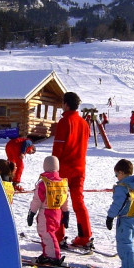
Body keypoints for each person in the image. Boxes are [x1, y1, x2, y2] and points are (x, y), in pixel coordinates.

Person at [52, 91, 92, 248]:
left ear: (66, 104)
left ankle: (59, 235)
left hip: (63, 169)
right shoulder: (84, 123)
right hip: (79, 168)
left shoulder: (65, 121)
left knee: (58, 202)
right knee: (78, 202)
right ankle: (85, 236)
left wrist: (52, 168)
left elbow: (58, 147)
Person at [106, 159, 134, 268]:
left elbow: (117, 204)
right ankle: (128, 266)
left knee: (124, 244)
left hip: (125, 220)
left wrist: (110, 216)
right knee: (129, 243)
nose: (117, 177)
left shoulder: (123, 187)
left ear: (122, 173)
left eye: (116, 174)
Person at [27, 156, 69, 266]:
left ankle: (53, 256)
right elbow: (65, 199)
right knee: (51, 233)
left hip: (46, 212)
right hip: (57, 212)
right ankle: (48, 253)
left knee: (46, 233)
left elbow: (37, 200)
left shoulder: (44, 183)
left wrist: (32, 212)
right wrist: (66, 212)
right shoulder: (62, 183)